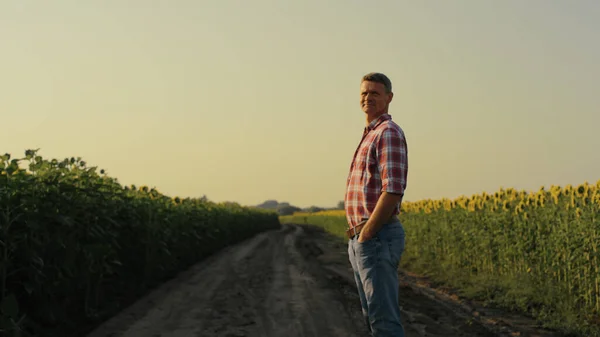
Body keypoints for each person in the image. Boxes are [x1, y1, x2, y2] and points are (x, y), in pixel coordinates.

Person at [344, 72, 408, 337]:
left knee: (383, 321)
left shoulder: (388, 133)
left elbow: (392, 190)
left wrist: (368, 232)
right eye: (364, 93)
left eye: (374, 93)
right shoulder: (370, 134)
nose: (367, 98)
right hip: (363, 238)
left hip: (376, 237)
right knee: (372, 316)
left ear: (389, 98)